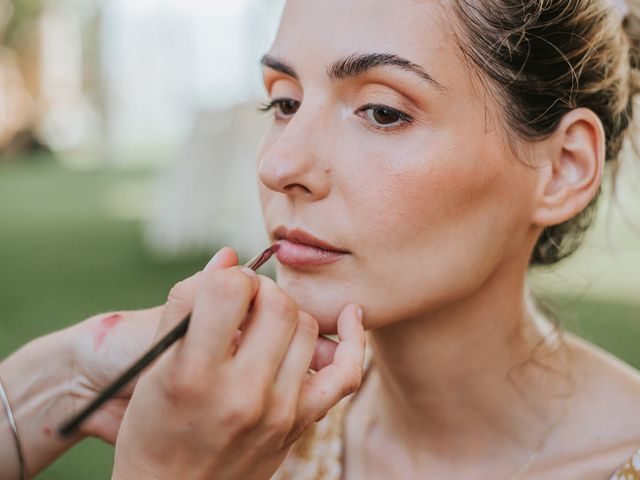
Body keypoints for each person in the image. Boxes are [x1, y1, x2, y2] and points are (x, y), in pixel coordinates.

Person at [4, 0, 640, 478]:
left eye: (383, 111)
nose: (278, 167)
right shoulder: (251, 433)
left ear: (562, 169)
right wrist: (71, 370)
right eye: (283, 102)